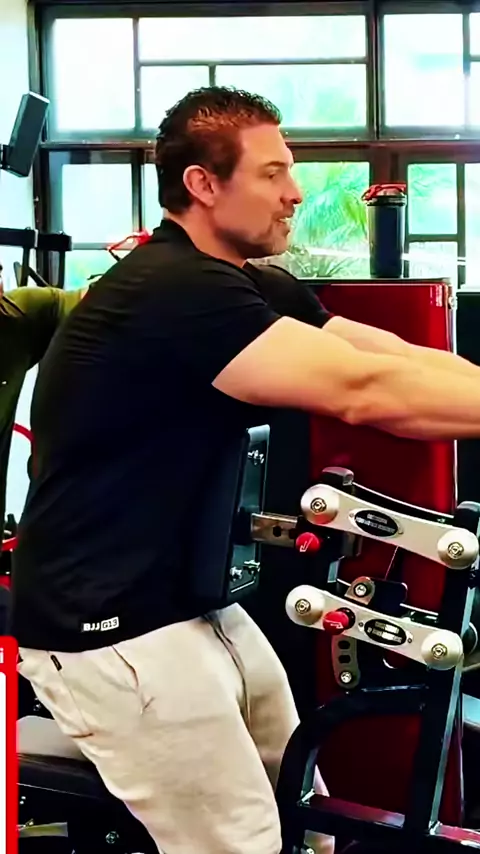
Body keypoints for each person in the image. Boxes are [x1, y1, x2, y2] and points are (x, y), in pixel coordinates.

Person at [9, 85, 480, 854]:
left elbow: (394, 357)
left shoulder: (247, 282)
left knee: (302, 815)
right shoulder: (172, 291)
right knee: (242, 841)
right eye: (272, 172)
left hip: (192, 608)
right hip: (108, 626)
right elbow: (367, 393)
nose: (295, 192)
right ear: (203, 184)